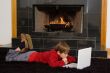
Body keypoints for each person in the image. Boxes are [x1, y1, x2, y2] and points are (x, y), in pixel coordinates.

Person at [6, 41, 76, 67]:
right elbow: (52, 64)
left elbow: (70, 58)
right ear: (58, 52)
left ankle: (22, 48)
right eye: (65, 54)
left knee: (19, 55)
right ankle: (18, 48)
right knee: (10, 58)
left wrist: (74, 59)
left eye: (67, 53)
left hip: (34, 53)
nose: (67, 55)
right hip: (30, 57)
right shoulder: (53, 54)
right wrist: (63, 62)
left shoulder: (60, 53)